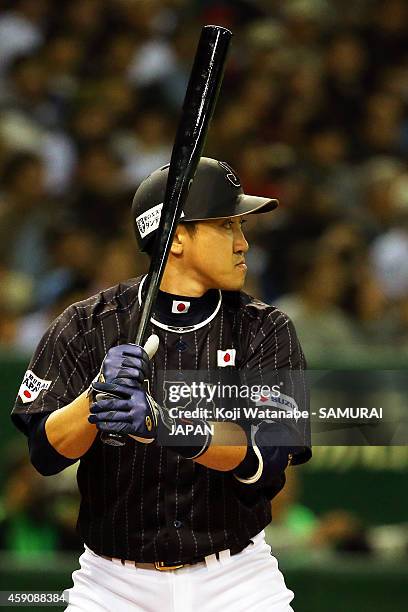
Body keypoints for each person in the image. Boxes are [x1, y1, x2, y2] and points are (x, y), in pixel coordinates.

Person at [11, 157, 311, 611]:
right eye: (226, 225)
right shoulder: (88, 324)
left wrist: (163, 424)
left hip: (236, 578)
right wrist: (95, 399)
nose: (243, 243)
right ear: (175, 237)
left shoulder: (263, 329)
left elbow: (265, 460)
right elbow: (45, 454)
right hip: (112, 583)